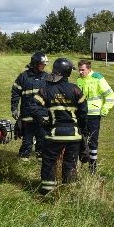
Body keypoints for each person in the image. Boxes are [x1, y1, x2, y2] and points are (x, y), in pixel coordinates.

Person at [30, 58, 88, 195]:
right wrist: (82, 130)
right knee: (70, 163)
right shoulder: (76, 90)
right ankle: (69, 191)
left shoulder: (46, 90)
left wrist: (44, 120)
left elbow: (33, 107)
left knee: (49, 162)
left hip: (55, 134)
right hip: (74, 135)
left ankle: (47, 191)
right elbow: (84, 113)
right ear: (67, 73)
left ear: (56, 71)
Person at [76, 59, 114, 173]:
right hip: (82, 114)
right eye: (79, 70)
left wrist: (105, 108)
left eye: (83, 70)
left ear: (89, 69)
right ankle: (81, 162)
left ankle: (93, 166)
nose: (81, 72)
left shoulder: (97, 78)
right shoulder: (79, 80)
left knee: (93, 140)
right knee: (81, 138)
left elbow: (109, 93)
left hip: (94, 115)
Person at [11, 52, 49, 161]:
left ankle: (41, 158)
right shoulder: (24, 76)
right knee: (27, 139)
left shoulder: (47, 77)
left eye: (44, 64)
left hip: (42, 114)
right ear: (35, 63)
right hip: (27, 114)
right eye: (42, 64)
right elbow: (15, 92)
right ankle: (24, 158)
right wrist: (14, 108)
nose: (44, 66)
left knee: (42, 137)